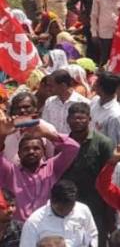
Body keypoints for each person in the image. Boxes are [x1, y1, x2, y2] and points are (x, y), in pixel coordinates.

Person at [0, 110, 81, 222]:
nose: (31, 151)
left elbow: (74, 148)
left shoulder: (52, 167)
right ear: (18, 153)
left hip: (48, 226)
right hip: (19, 230)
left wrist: (48, 134)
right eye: (26, 149)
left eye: (36, 148)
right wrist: (2, 135)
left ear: (44, 151)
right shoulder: (11, 172)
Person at [61, 102, 112, 247]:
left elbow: (109, 175)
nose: (78, 122)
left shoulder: (103, 143)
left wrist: (109, 212)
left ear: (89, 119)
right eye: (74, 118)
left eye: (82, 118)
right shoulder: (63, 143)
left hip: (96, 204)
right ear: (68, 120)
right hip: (70, 203)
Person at [19, 181, 97, 247]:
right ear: (52, 201)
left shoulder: (83, 211)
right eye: (61, 209)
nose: (66, 212)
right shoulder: (33, 222)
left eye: (70, 208)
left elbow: (92, 235)